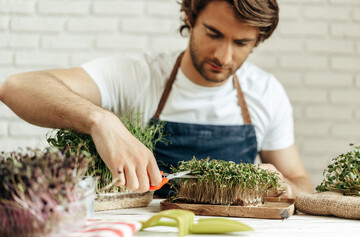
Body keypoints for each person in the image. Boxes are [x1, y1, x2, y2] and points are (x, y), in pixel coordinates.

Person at [0, 0, 313, 197]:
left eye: (241, 42)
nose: (223, 55)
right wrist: (101, 120)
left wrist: (284, 185)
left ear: (258, 41)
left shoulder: (267, 92)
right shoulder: (137, 75)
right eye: (213, 34)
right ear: (191, 18)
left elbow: (301, 183)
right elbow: (16, 86)